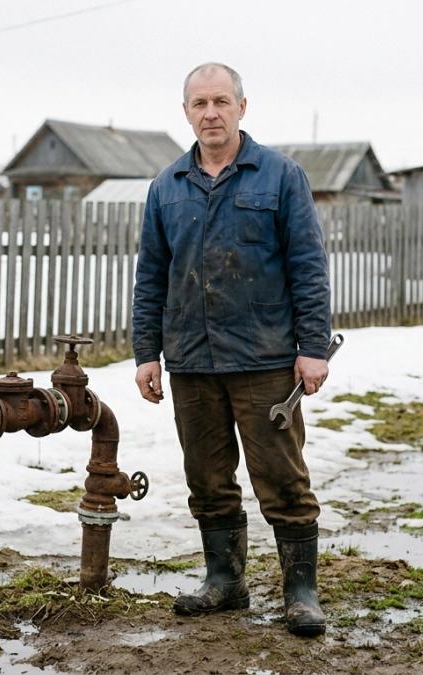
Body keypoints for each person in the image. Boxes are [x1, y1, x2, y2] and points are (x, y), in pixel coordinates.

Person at [131, 62, 332, 637]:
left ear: (242, 107)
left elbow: (307, 267)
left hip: (265, 360)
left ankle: (300, 592)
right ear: (187, 112)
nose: (211, 112)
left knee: (283, 479)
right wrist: (148, 353)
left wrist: (312, 347)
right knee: (207, 478)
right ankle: (226, 582)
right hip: (191, 361)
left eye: (222, 101)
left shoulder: (279, 175)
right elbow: (152, 277)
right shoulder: (165, 187)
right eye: (200, 103)